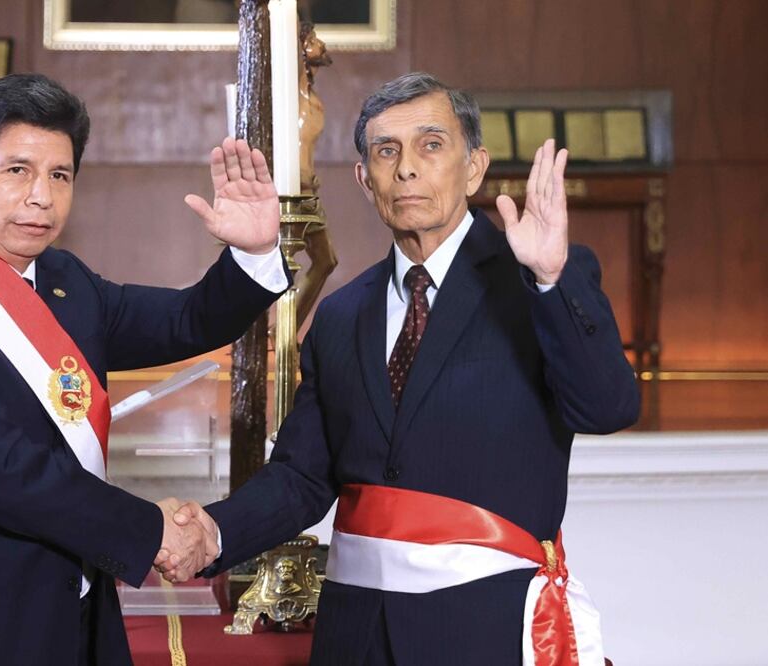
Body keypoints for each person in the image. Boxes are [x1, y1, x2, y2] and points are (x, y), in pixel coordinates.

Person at [160, 72, 640, 665]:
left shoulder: (539, 282)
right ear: (365, 179)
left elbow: (608, 407)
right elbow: (304, 477)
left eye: (431, 145)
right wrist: (214, 531)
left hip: (485, 627)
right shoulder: (339, 316)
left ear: (474, 167)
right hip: (354, 632)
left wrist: (549, 278)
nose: (407, 168)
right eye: (387, 151)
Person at [0, 73, 286, 665]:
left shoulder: (66, 283)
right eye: (17, 171)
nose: (42, 197)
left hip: (73, 613)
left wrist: (252, 251)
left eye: (60, 175)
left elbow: (187, 321)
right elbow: (2, 473)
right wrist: (150, 530)